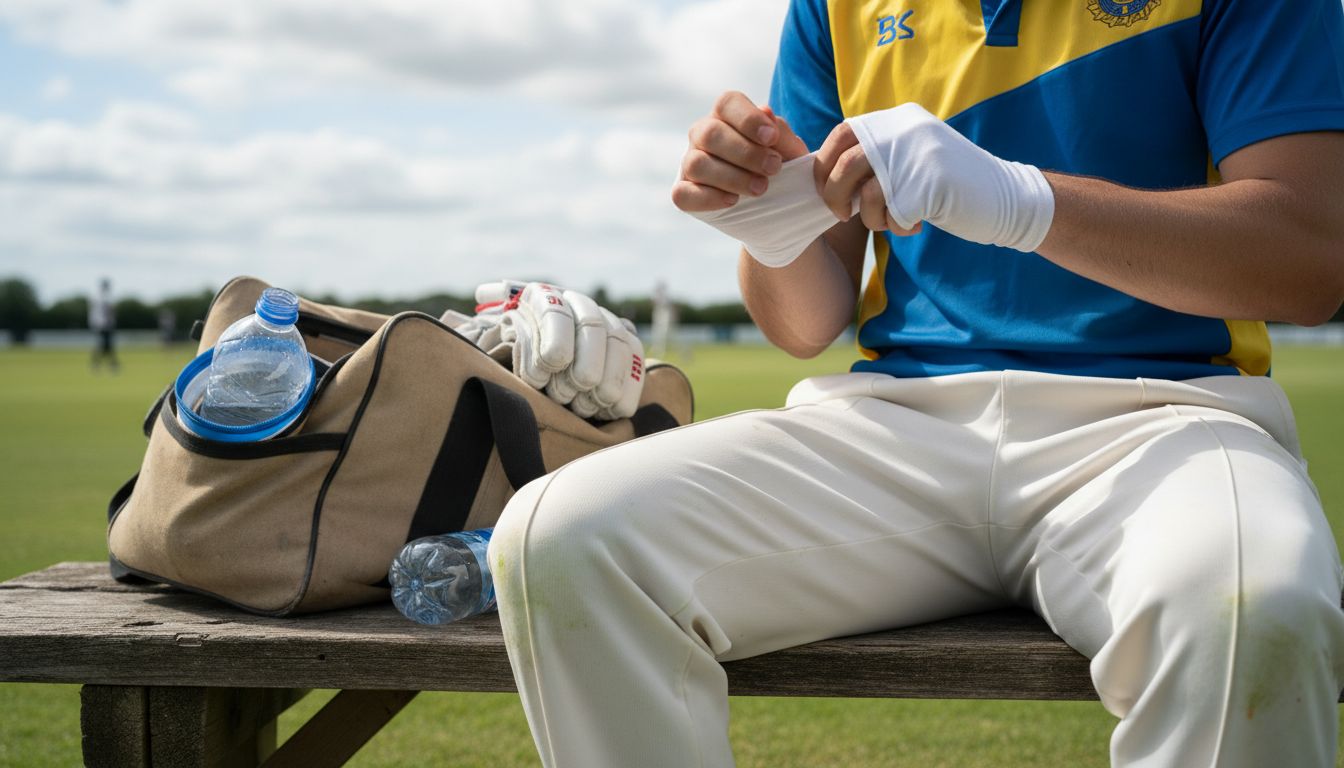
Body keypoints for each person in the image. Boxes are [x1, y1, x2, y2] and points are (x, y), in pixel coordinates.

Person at [487, 1, 1344, 765]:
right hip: (899, 425)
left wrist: (1021, 200)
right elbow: (804, 322)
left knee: (1252, 605)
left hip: (1165, 419)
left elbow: (1309, 259)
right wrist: (764, 219)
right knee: (560, 537)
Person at [89, 277, 118, 372]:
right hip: (103, 325)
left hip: (103, 325)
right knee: (104, 345)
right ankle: (108, 364)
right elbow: (108, 311)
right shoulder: (103, 297)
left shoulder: (98, 297)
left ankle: (104, 364)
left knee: (106, 346)